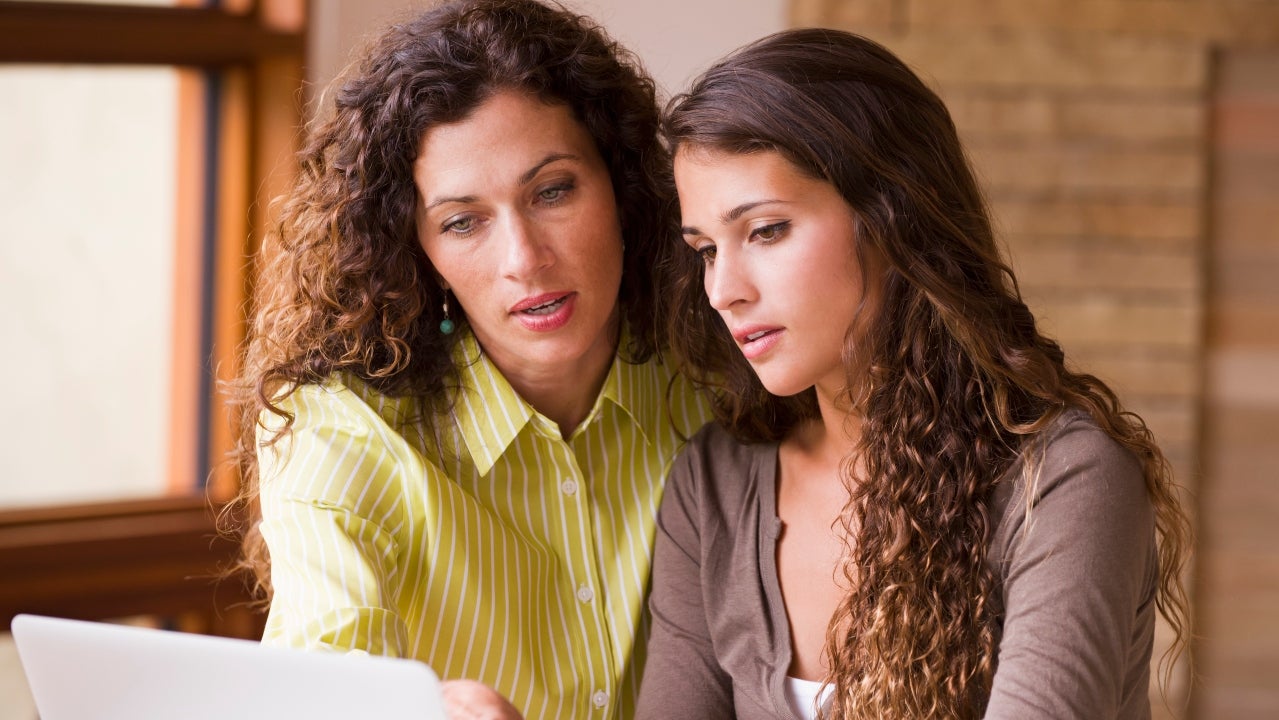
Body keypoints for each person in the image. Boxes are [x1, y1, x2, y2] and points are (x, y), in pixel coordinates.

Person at [637, 28, 1192, 720]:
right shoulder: (715, 487)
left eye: (767, 230)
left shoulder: (1062, 480)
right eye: (706, 250)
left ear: (893, 218)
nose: (724, 290)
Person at [227, 2, 708, 718]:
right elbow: (319, 679)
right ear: (414, 251)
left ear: (625, 184)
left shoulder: (717, 380)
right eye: (462, 222)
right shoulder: (341, 429)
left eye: (553, 191)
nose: (524, 259)